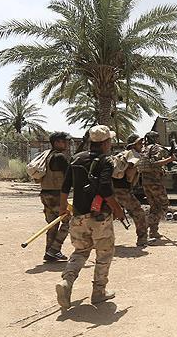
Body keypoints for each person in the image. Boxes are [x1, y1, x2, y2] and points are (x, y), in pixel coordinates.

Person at [55, 125, 126, 308]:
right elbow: (105, 188)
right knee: (104, 253)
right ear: (105, 143)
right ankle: (99, 292)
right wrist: (117, 209)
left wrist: (63, 208)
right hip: (99, 217)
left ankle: (67, 282)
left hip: (78, 215)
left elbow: (65, 186)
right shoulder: (106, 161)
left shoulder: (76, 158)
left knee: (80, 251)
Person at [135, 131, 175, 242]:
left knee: (154, 207)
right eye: (157, 137)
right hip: (155, 181)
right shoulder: (155, 148)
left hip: (145, 181)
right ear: (155, 138)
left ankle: (153, 231)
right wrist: (170, 159)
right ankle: (145, 224)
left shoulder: (144, 149)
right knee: (163, 206)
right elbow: (154, 163)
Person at [38, 132, 72, 262]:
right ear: (56, 142)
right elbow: (69, 175)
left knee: (52, 225)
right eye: (64, 141)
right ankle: (54, 249)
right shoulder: (59, 157)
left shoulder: (47, 156)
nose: (66, 144)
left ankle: (49, 252)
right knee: (68, 222)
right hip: (57, 195)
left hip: (45, 194)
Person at [112, 134, 149, 247]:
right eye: (139, 143)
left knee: (109, 214)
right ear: (133, 145)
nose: (142, 145)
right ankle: (142, 239)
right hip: (122, 190)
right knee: (138, 213)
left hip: (112, 189)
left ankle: (97, 239)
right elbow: (129, 174)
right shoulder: (132, 154)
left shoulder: (121, 154)